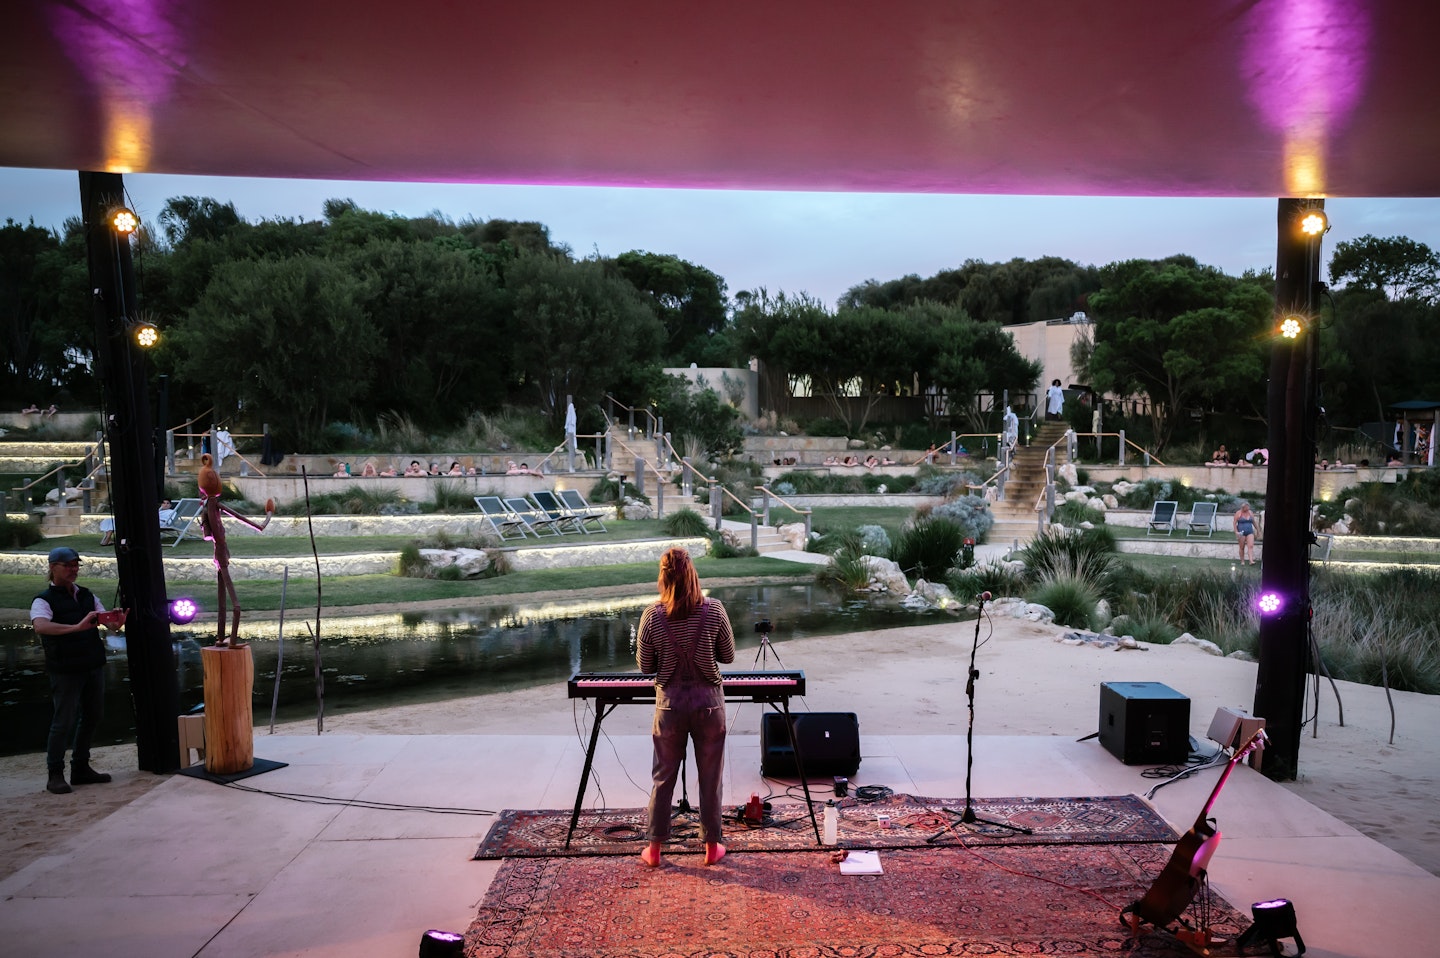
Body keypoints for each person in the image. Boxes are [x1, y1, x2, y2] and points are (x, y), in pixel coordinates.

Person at [637, 547, 735, 868]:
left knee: (663, 777)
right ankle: (711, 847)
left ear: (663, 577)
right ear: (693, 572)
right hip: (708, 704)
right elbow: (728, 656)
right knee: (711, 778)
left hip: (670, 706)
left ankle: (653, 850)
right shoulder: (715, 610)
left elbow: (644, 666)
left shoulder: (652, 616)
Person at [31, 546, 126, 794]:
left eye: (75, 565)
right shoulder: (44, 600)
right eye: (67, 565)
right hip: (65, 668)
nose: (73, 569)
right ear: (53, 567)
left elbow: (108, 624)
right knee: (63, 721)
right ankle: (55, 774)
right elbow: (41, 627)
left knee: (93, 715)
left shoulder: (86, 595)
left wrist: (116, 623)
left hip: (92, 664)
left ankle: (80, 768)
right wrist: (77, 628)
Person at [1234, 501, 1257, 565]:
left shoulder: (1250, 513)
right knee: (1242, 547)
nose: (1247, 509)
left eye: (1248, 508)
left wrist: (1257, 529)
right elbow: (1234, 523)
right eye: (1246, 508)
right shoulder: (1238, 513)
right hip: (1241, 532)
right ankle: (1242, 561)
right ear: (1243, 508)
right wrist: (1236, 532)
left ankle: (1251, 560)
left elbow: (1253, 522)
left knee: (1250, 546)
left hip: (1250, 531)